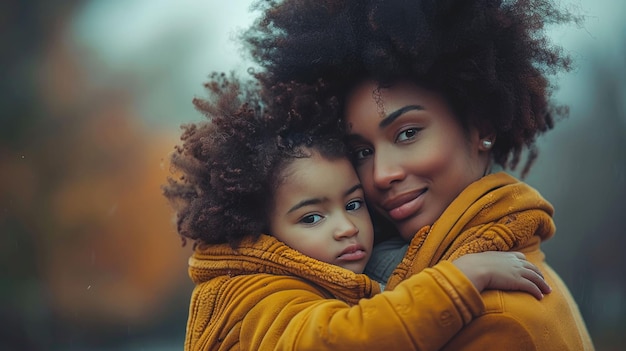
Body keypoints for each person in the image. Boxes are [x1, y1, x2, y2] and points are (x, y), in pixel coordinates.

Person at [241, 0, 594, 349]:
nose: (381, 174)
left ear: (480, 126)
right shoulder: (377, 281)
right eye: (363, 152)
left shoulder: (496, 319)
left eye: (407, 133)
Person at [162, 75, 551, 350]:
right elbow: (341, 339)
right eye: (312, 218)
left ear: (481, 126)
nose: (347, 228)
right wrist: (460, 280)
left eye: (353, 205)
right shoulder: (255, 295)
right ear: (263, 232)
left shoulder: (503, 317)